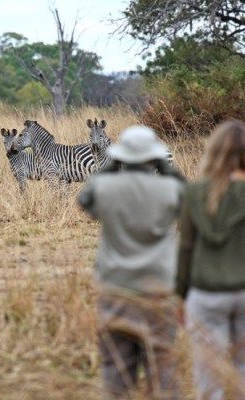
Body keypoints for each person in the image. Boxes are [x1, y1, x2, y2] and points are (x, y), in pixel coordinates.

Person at [78, 125, 184, 399]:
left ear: (120, 157)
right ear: (155, 157)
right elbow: (190, 198)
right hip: (158, 291)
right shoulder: (169, 188)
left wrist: (110, 166)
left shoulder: (106, 187)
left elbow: (84, 200)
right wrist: (168, 168)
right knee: (163, 372)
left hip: (115, 290)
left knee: (116, 372)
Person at [176, 119, 245, 400]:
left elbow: (185, 249)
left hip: (204, 295)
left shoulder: (194, 193)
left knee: (208, 379)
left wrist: (178, 295)